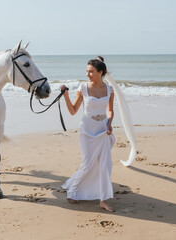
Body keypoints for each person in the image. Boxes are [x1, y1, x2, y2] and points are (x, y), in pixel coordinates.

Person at [61, 56, 116, 212]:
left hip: (103, 131)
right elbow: (73, 111)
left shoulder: (109, 90)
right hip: (87, 131)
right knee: (87, 165)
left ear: (100, 72)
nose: (88, 74)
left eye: (91, 72)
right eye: (87, 71)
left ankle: (103, 200)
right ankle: (73, 190)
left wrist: (110, 122)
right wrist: (66, 96)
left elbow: (110, 110)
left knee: (105, 167)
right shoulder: (83, 88)